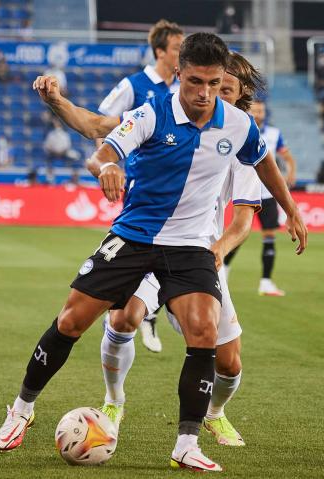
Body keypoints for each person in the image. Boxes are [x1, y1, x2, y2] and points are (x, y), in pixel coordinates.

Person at [0, 33, 308, 473]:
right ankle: (21, 410)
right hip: (135, 235)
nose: (204, 94)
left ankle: (186, 444)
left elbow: (263, 160)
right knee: (71, 320)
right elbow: (103, 149)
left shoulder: (238, 124)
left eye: (214, 84)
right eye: (196, 82)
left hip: (190, 246)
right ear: (179, 74)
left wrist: (292, 209)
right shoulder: (150, 112)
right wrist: (107, 167)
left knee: (203, 331)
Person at [38, 51, 268, 448]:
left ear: (238, 95)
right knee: (123, 318)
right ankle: (114, 402)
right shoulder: (166, 116)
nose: (212, 96)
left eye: (223, 89)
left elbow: (244, 220)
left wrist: (220, 247)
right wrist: (58, 102)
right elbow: (98, 124)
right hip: (150, 242)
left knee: (228, 362)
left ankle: (215, 413)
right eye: (208, 85)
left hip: (198, 254)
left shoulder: (243, 141)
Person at [96, 18, 184, 352]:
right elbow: (100, 124)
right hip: (140, 185)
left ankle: (145, 311)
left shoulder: (184, 88)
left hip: (177, 186)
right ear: (160, 51)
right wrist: (109, 164)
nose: (181, 53)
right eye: (177, 48)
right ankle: (132, 311)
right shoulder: (133, 85)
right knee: (142, 249)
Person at [223, 98, 297, 296]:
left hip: (268, 193)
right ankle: (223, 271)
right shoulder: (241, 129)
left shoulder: (274, 134)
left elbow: (286, 155)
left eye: (261, 110)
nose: (259, 114)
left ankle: (265, 282)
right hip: (246, 191)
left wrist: (291, 172)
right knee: (238, 233)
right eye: (255, 110)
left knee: (269, 237)